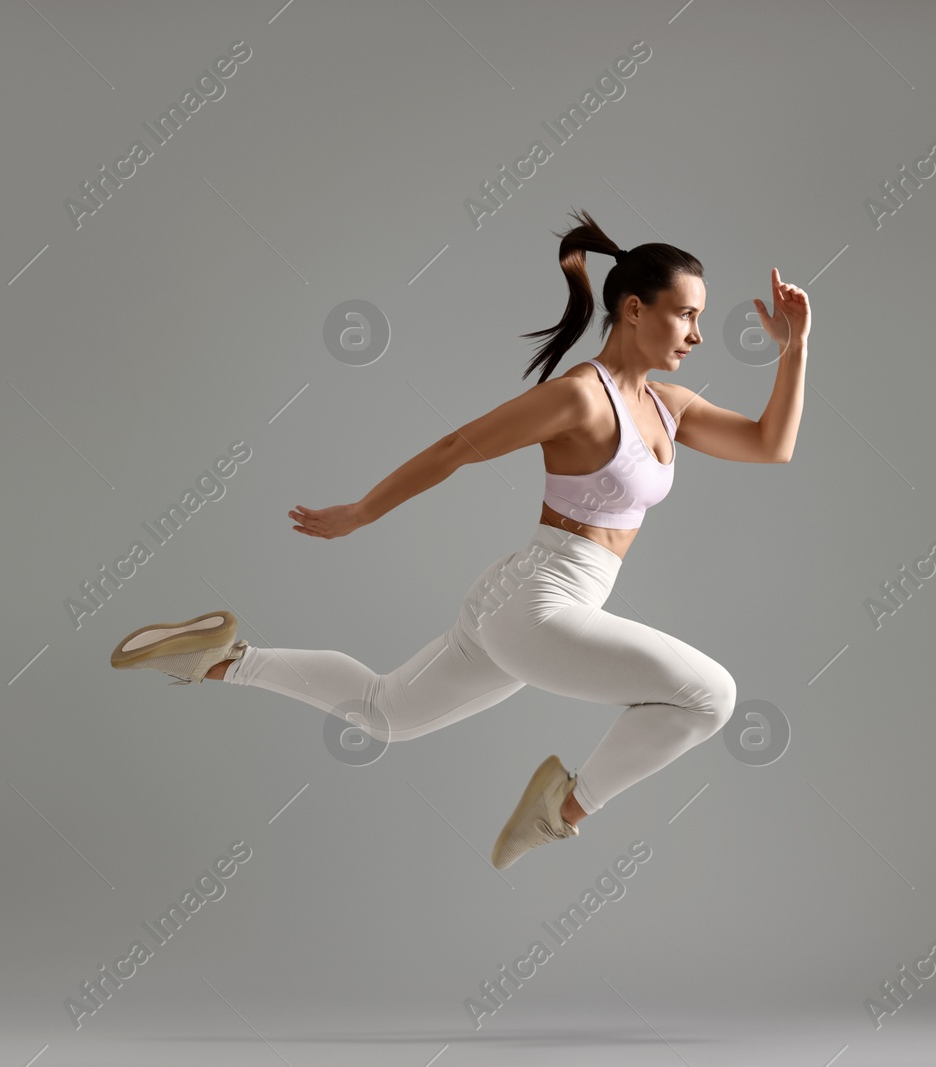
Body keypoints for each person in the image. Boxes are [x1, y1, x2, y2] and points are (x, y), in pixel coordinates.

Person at [110, 208, 810, 870]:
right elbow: (458, 446)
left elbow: (771, 444)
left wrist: (794, 350)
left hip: (526, 600)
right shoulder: (580, 396)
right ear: (634, 310)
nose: (696, 334)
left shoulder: (668, 405)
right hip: (539, 603)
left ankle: (217, 658)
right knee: (712, 696)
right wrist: (361, 511)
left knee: (385, 712)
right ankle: (561, 809)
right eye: (686, 314)